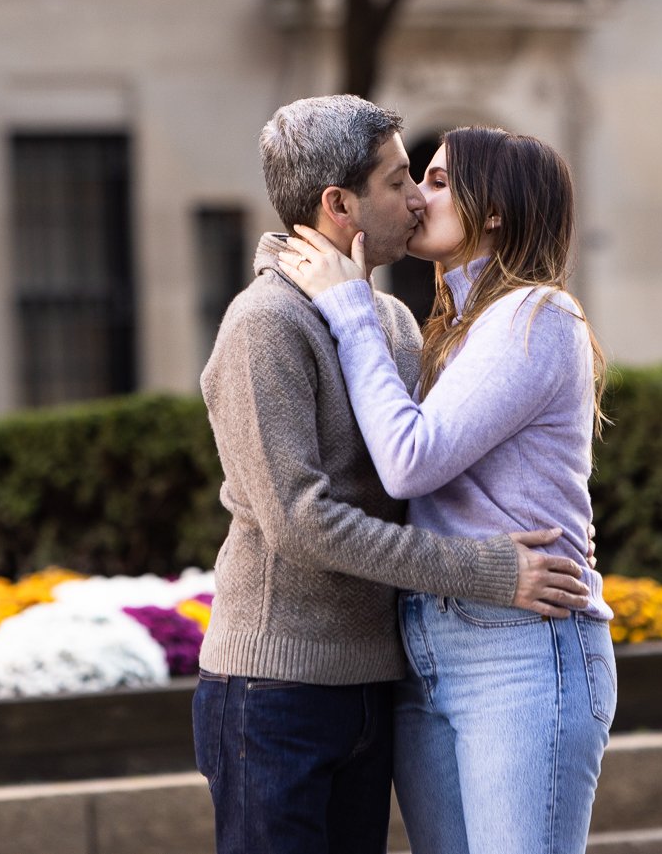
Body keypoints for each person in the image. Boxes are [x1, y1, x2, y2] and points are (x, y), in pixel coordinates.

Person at [195, 97, 593, 854]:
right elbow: (302, 522)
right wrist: (487, 569)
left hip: (378, 682)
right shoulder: (265, 324)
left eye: (429, 179)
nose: (415, 199)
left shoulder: (395, 323)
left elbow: (421, 470)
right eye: (401, 179)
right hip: (275, 691)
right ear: (339, 204)